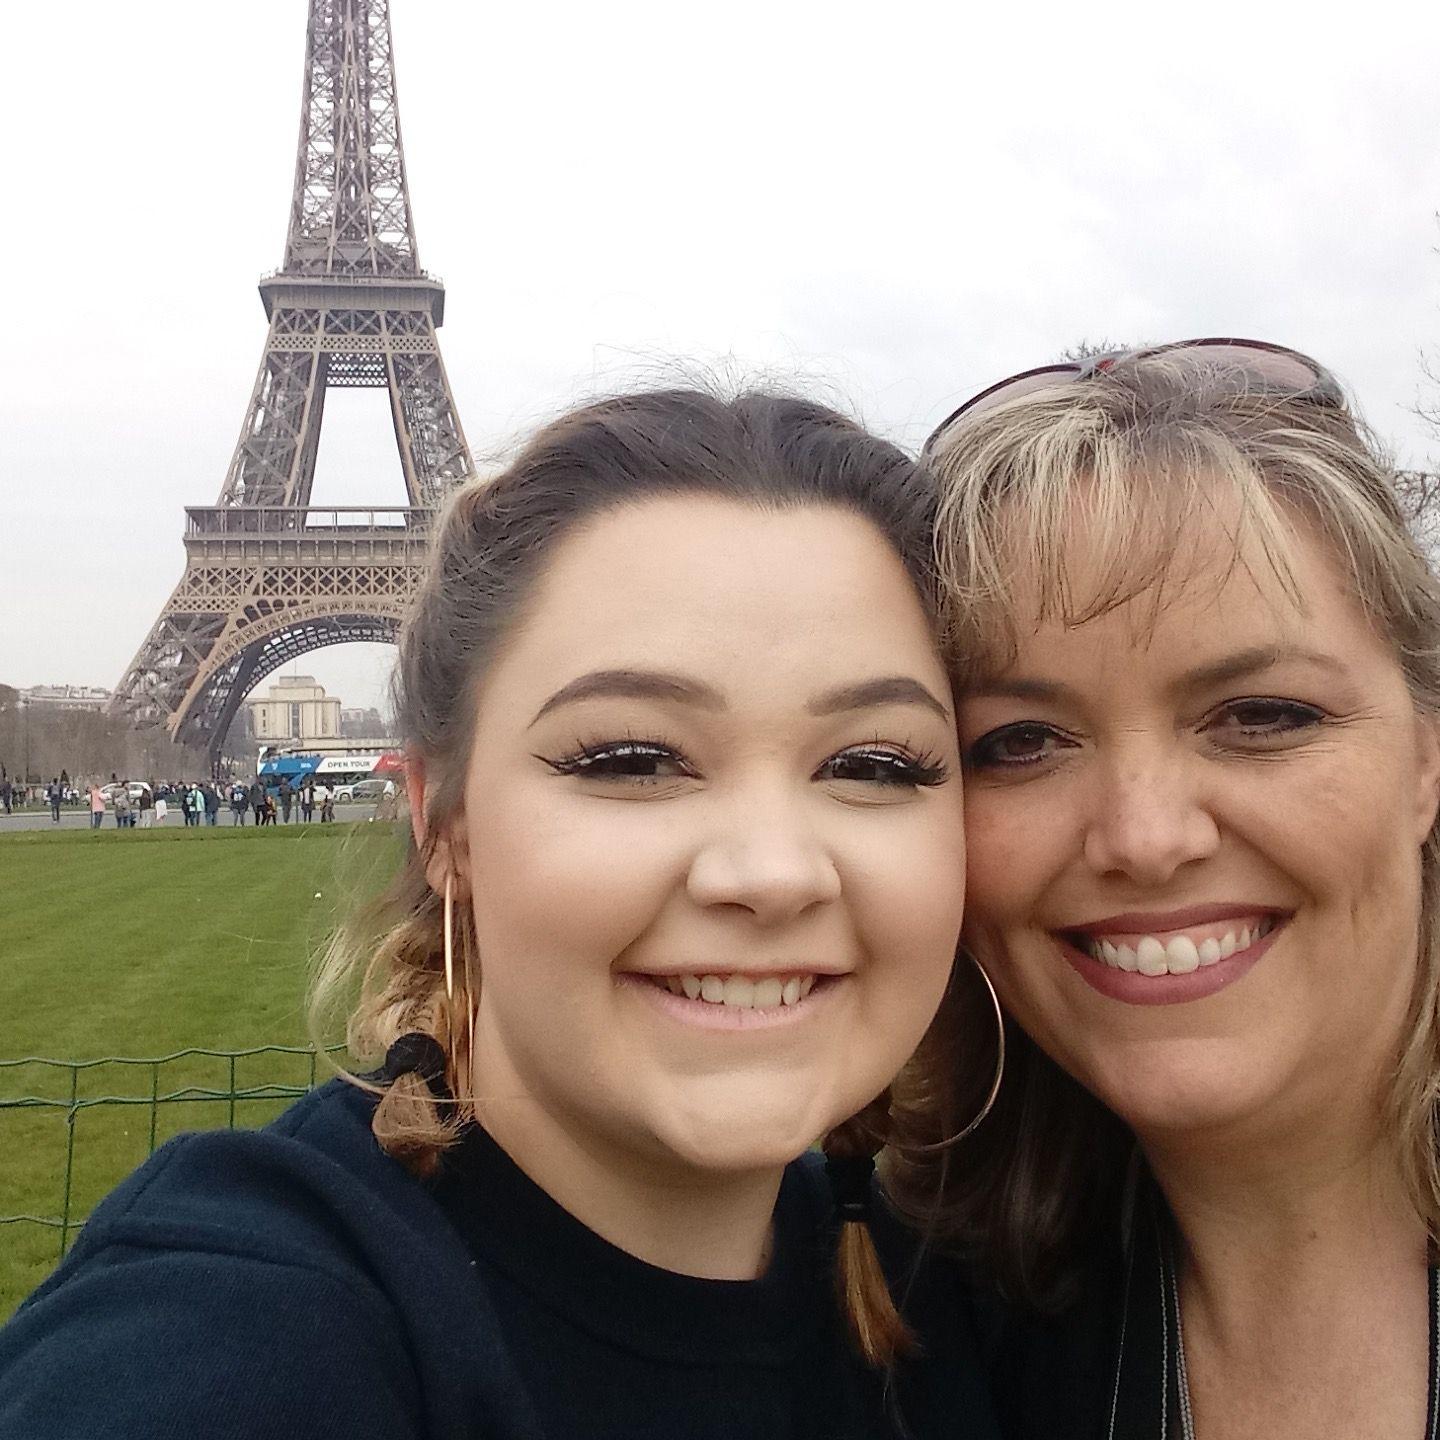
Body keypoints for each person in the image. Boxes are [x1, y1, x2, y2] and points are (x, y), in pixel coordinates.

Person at [0, 388, 997, 1439]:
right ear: (444, 824)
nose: (773, 873)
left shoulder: (983, 1306)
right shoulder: (240, 1331)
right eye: (631, 759)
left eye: (875, 764)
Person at [895, 339, 1440, 1439]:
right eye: (1021, 740)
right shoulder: (912, 1320)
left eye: (1263, 716)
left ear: (1426, 760)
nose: (1144, 840)